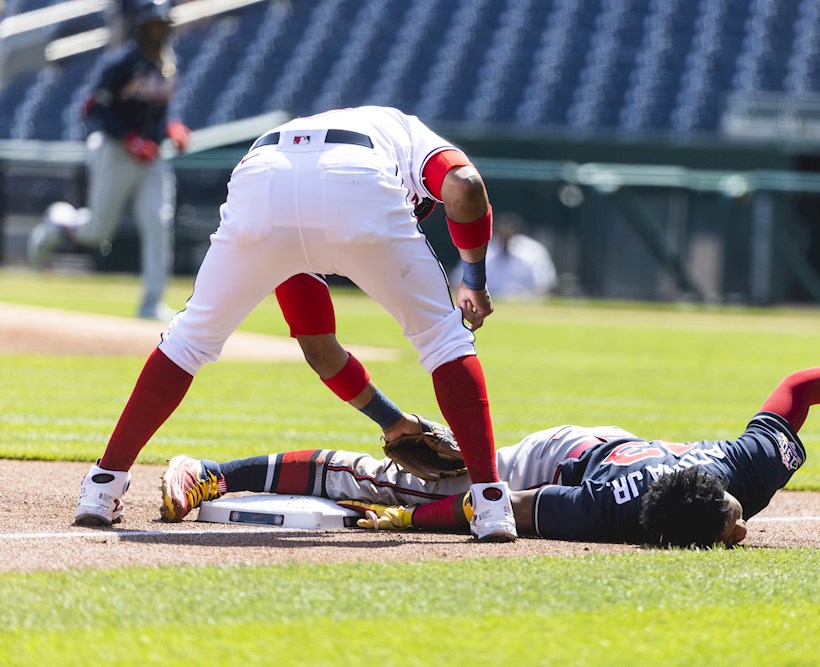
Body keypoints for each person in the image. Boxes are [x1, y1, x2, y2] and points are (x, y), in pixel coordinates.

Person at [72, 104, 518, 542]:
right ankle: (492, 502)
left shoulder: (337, 149)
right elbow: (464, 183)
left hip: (264, 174)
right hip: (357, 175)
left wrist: (391, 421)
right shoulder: (408, 134)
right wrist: (474, 281)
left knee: (188, 341)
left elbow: (319, 348)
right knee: (444, 341)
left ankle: (101, 487)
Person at [160, 311, 820, 548]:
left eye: (724, 523)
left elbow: (798, 389)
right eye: (731, 519)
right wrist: (413, 513)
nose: (740, 522)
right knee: (405, 481)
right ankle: (215, 470)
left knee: (420, 494)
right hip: (560, 457)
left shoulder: (734, 469)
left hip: (598, 452)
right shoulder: (623, 507)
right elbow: (495, 500)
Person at [27, 0, 190, 321]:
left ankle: (151, 304)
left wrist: (172, 127)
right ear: (143, 26)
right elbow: (94, 108)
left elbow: (159, 110)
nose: (161, 29)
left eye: (163, 23)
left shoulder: (169, 62)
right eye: (155, 24)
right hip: (116, 151)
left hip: (153, 157)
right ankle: (59, 222)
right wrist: (131, 137)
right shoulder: (122, 63)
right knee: (97, 231)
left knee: (158, 223)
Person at [452, 213, 556, 299]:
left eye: (510, 234)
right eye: (502, 234)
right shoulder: (481, 251)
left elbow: (546, 285)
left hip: (527, 304)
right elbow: (458, 281)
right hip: (491, 301)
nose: (506, 238)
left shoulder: (533, 252)